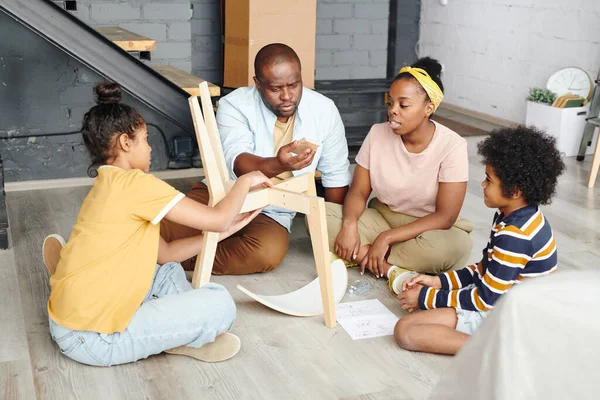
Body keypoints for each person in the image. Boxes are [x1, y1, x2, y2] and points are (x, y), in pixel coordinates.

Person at [42, 82, 272, 367]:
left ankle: (175, 330)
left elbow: (166, 254)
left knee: (166, 272)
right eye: (145, 139)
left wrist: (227, 230)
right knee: (221, 303)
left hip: (67, 320)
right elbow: (217, 218)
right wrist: (245, 181)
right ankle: (182, 333)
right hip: (93, 339)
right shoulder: (137, 184)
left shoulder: (106, 183)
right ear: (126, 143)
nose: (151, 148)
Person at [160, 43, 352, 274]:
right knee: (159, 228)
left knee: (265, 253)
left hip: (273, 209)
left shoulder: (324, 109)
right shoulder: (235, 104)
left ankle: (173, 259)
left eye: (294, 85)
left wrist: (333, 229)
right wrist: (279, 164)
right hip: (224, 193)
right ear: (257, 83)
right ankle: (168, 254)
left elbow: (336, 176)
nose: (287, 96)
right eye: (275, 88)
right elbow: (238, 162)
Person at [394, 126, 565, 355]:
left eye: (488, 180)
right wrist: (438, 282)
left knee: (405, 330)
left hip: (510, 316)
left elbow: (485, 299)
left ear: (515, 191)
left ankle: (498, 349)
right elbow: (484, 269)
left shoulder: (515, 235)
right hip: (503, 302)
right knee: (415, 321)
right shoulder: (514, 216)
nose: (483, 184)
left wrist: (426, 298)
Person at [327, 57, 472, 292]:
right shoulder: (377, 134)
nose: (392, 111)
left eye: (403, 105)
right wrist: (350, 224)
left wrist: (385, 239)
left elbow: (445, 217)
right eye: (390, 103)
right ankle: (392, 270)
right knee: (320, 217)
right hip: (383, 216)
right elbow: (359, 191)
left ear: (429, 108)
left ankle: (365, 255)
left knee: (450, 248)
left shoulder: (452, 145)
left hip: (429, 229)